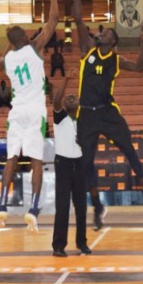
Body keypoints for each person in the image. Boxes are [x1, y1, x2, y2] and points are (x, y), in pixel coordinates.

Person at [71, 0, 143, 232]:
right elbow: (78, 20)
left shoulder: (116, 59)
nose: (102, 33)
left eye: (108, 33)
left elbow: (141, 68)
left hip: (108, 111)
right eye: (102, 32)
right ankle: (96, 208)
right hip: (86, 114)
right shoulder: (87, 50)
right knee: (86, 163)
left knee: (131, 153)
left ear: (114, 41)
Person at [0, 0, 61, 233]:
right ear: (25, 36)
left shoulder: (7, 60)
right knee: (35, 161)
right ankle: (33, 210)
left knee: (11, 158)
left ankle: (1, 206)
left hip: (16, 111)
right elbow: (53, 21)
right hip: (34, 110)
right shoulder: (34, 48)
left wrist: (11, 41)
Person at [52, 69, 90, 257]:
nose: (71, 96)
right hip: (63, 164)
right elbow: (56, 101)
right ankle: (58, 245)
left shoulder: (83, 120)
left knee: (81, 206)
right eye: (68, 97)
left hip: (80, 164)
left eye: (74, 96)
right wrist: (66, 79)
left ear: (79, 103)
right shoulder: (60, 118)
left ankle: (81, 242)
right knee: (63, 206)